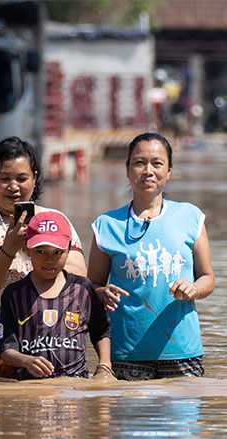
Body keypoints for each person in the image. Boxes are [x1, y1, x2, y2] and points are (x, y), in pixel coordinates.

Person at [0, 136, 87, 378]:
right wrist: (9, 248)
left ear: (35, 178)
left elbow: (78, 281)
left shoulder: (56, 221)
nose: (13, 186)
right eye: (4, 179)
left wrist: (41, 252)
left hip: (46, 345)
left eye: (22, 178)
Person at [88, 132, 214, 381]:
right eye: (139, 162)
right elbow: (90, 285)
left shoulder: (191, 217)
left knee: (184, 418)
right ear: (127, 169)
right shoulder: (106, 225)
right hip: (126, 353)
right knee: (129, 419)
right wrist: (101, 294)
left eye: (157, 163)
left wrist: (193, 289)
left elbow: (208, 278)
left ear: (169, 171)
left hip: (182, 350)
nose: (148, 171)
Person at [0, 211, 113, 380]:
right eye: (40, 251)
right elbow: (5, 349)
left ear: (69, 250)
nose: (50, 260)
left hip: (75, 387)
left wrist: (104, 365)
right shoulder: (14, 294)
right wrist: (27, 361)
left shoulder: (83, 289)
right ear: (26, 249)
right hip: (32, 389)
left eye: (57, 252)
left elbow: (101, 331)